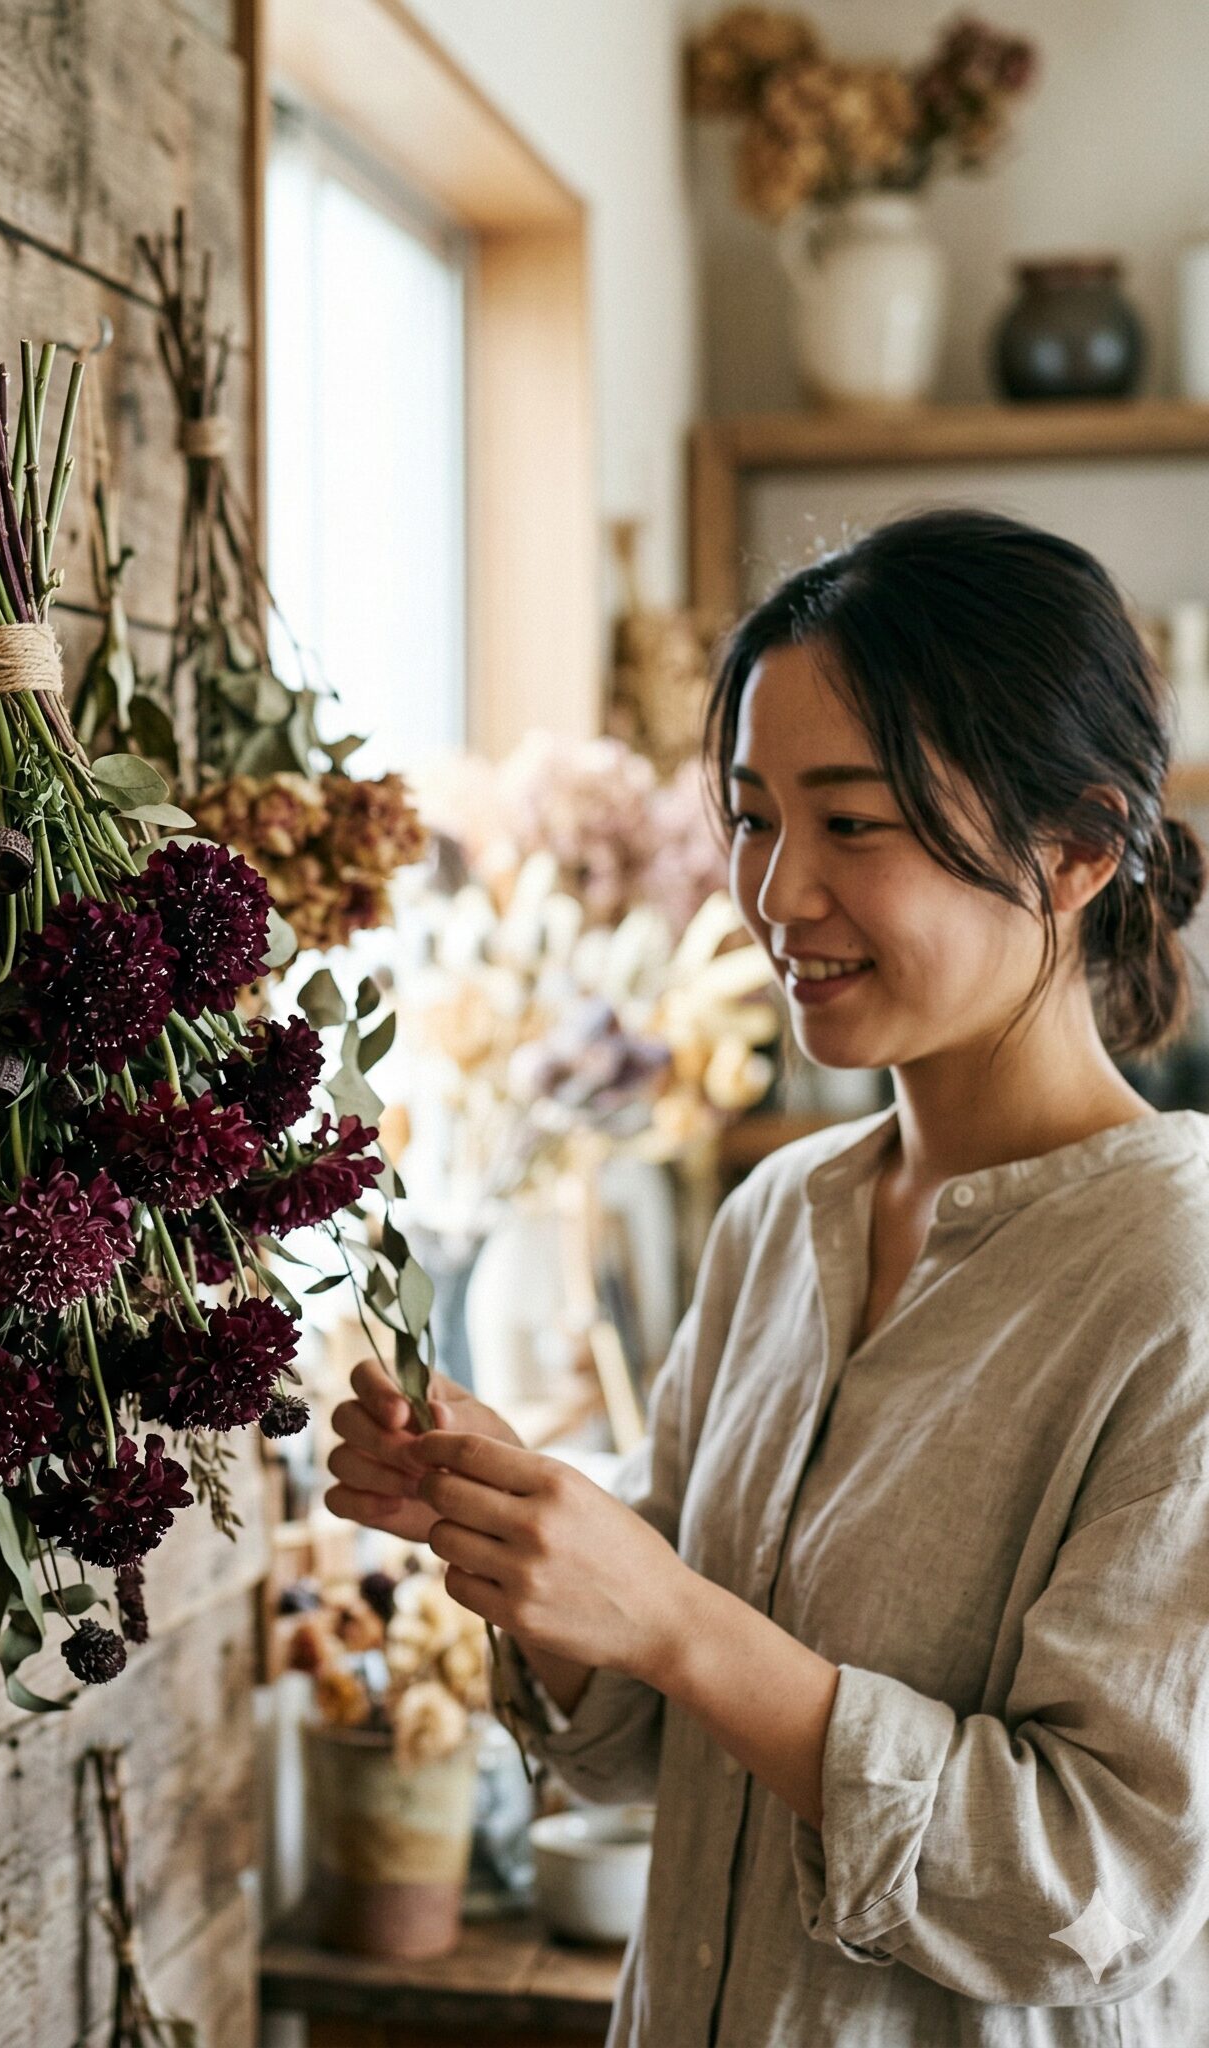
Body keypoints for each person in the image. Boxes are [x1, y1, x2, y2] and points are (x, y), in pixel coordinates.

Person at [327, 509, 1209, 2045]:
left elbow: (1093, 1882)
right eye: (751, 817)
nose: (778, 893)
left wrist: (671, 1616)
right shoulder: (780, 1216)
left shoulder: (1174, 1276)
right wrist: (537, 1540)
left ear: (1073, 845)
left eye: (852, 823)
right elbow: (652, 1755)